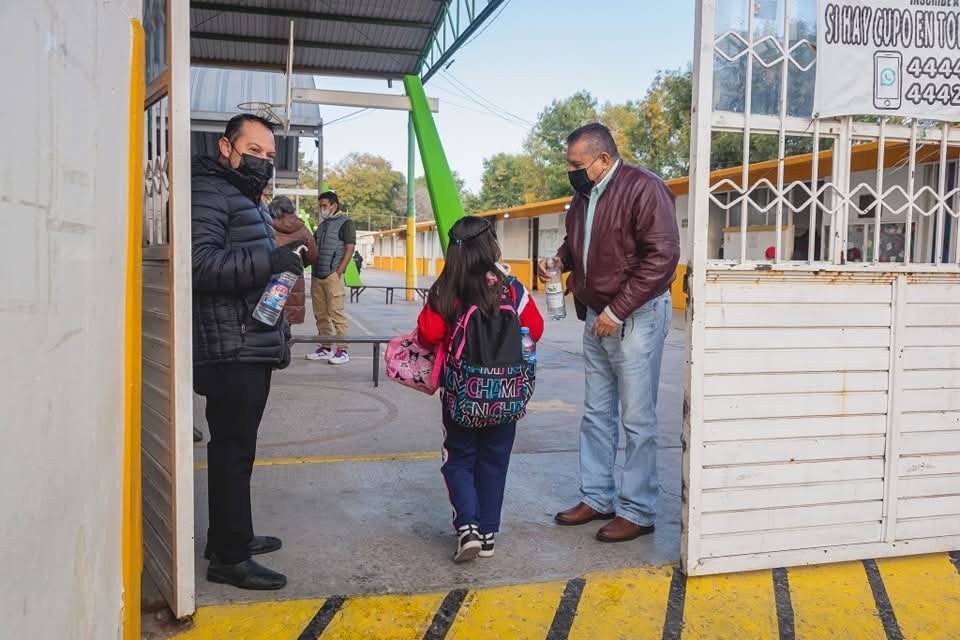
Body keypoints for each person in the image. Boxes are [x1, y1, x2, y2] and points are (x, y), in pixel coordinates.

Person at [539, 123, 679, 542]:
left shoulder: (645, 189)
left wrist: (618, 311)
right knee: (597, 413)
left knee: (637, 418)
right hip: (597, 315)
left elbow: (664, 257)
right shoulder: (585, 196)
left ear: (602, 160)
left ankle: (638, 509)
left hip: (634, 316)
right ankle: (598, 497)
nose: (571, 171)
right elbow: (577, 241)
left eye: (576, 164)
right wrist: (560, 260)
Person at [192, 113, 306, 590]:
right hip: (230, 344)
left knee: (239, 448)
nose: (261, 160)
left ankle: (228, 536)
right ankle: (229, 558)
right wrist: (271, 260)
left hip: (249, 339)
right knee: (233, 450)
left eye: (267, 154)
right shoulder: (209, 192)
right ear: (226, 147)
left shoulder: (243, 196)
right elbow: (199, 265)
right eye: (252, 150)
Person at [416, 217, 544, 562]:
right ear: (491, 247)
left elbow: (427, 334)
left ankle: (467, 527)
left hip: (461, 395)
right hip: (507, 395)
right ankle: (488, 533)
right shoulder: (512, 288)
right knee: (495, 459)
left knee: (458, 458)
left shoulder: (447, 289)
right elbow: (535, 328)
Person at [306, 191, 356, 365]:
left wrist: (339, 271)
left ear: (334, 205)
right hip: (317, 275)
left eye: (324, 205)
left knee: (336, 313)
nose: (322, 209)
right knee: (320, 314)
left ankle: (342, 351)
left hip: (332, 275)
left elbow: (350, 248)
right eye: (320, 206)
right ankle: (325, 348)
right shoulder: (322, 225)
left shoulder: (346, 223)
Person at [269, 196, 319, 325]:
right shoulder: (302, 228)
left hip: (270, 281)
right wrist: (299, 263)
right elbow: (312, 255)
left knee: (267, 321)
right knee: (287, 327)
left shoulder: (266, 224)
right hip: (293, 282)